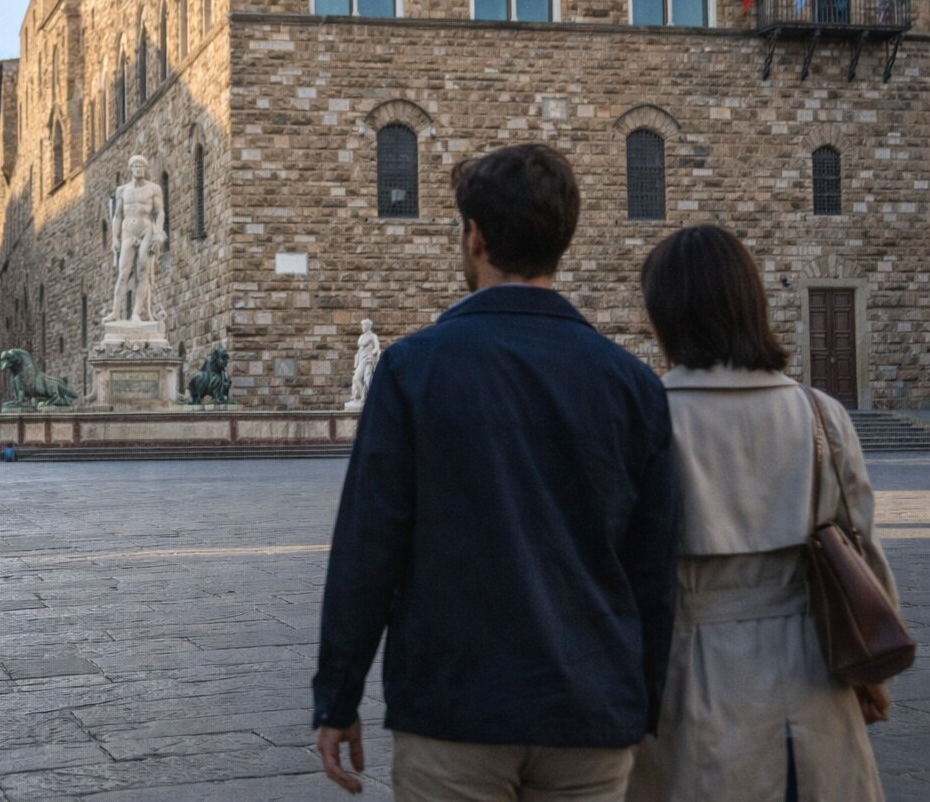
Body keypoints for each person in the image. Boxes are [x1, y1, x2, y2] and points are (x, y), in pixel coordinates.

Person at [314, 143, 677, 801]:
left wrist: (337, 698)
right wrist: (639, 703)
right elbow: (653, 569)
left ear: (474, 235)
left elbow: (369, 550)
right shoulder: (631, 385)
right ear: (562, 240)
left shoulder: (412, 370)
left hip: (457, 710)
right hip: (589, 711)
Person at [628, 225, 900, 802]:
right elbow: (861, 552)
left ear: (664, 315)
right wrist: (873, 676)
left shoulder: (643, 418)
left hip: (686, 677)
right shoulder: (820, 415)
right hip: (812, 672)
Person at [105, 154, 167, 324]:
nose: (139, 168)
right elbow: (117, 215)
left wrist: (158, 233)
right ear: (131, 169)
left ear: (145, 169)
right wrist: (114, 238)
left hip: (146, 229)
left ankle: (136, 313)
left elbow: (159, 211)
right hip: (128, 231)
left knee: (143, 271)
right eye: (135, 165)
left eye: (142, 166)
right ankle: (115, 312)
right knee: (123, 273)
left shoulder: (154, 189)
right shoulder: (122, 190)